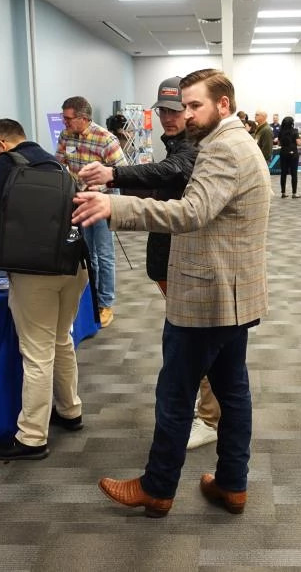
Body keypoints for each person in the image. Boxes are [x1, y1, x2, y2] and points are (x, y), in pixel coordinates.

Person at [72, 68, 270, 518]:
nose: (187, 113)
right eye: (184, 106)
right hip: (230, 292)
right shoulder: (236, 142)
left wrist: (114, 204)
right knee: (232, 390)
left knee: (175, 394)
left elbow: (191, 212)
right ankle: (232, 484)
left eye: (196, 105)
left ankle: (158, 488)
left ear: (224, 104)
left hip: (206, 295)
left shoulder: (222, 148)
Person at [78, 76, 218, 452]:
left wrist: (114, 174)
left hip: (190, 261)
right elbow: (161, 184)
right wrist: (111, 189)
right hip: (170, 259)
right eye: (164, 112)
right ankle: (204, 411)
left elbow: (172, 171)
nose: (169, 118)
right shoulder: (176, 144)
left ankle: (209, 418)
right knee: (190, 341)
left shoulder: (195, 146)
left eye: (177, 110)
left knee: (198, 341)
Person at [0, 118, 88, 461]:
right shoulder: (56, 163)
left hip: (34, 272)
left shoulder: (5, 165)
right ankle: (70, 410)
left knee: (37, 352)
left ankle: (32, 437)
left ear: (0, 145)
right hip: (74, 266)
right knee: (61, 339)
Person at [56, 96, 127, 328]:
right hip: (78, 203)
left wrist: (99, 188)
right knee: (85, 254)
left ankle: (105, 304)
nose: (64, 122)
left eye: (68, 118)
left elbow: (123, 172)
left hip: (102, 203)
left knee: (104, 254)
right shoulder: (66, 136)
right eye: (64, 118)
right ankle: (91, 299)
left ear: (83, 118)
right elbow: (60, 164)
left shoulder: (106, 139)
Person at [277, 116, 301, 198]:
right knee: (294, 173)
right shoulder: (295, 131)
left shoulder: (280, 132)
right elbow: (299, 143)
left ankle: (283, 193)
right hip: (293, 153)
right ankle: (294, 193)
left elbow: (279, 143)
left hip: (283, 153)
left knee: (283, 173)